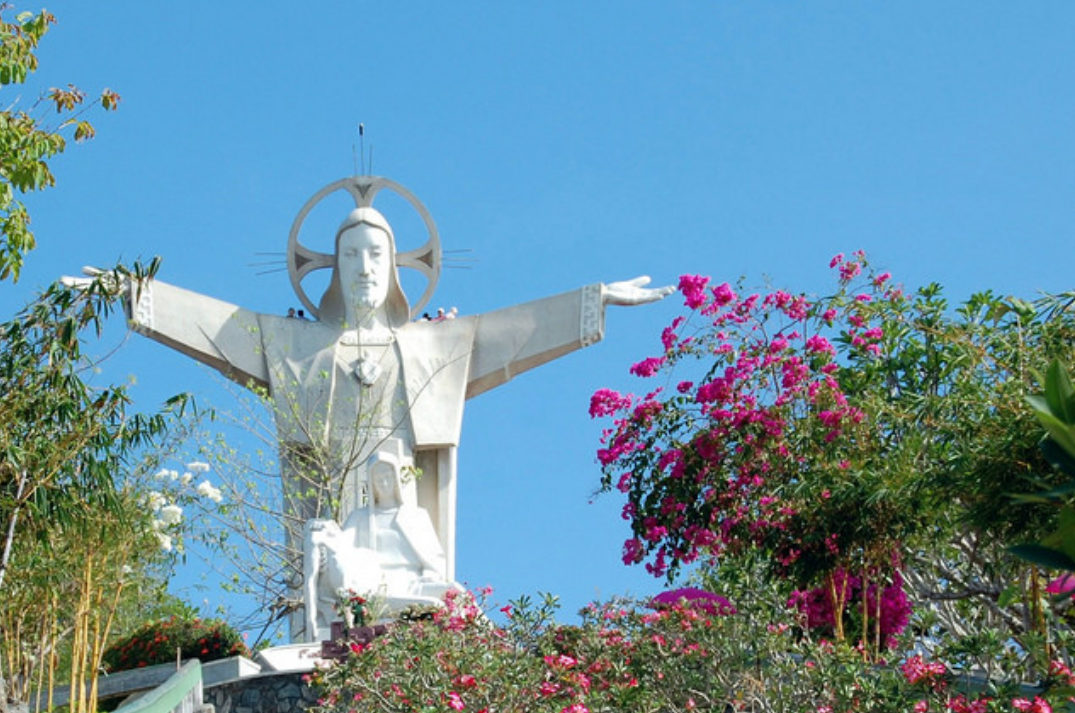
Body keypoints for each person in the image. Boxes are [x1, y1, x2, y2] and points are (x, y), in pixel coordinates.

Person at [70, 184, 672, 640]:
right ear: (332, 266)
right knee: (334, 572)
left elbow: (513, 332)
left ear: (394, 268)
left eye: (375, 255)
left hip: (399, 491)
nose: (363, 268)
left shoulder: (433, 344)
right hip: (333, 488)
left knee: (407, 565)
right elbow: (219, 329)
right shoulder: (298, 345)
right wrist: (137, 293)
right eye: (351, 254)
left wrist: (592, 301)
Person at [302, 452, 453, 640]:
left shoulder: (417, 516)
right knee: (432, 606)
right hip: (377, 585)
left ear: (396, 478)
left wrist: (429, 575)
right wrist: (325, 546)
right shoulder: (359, 517)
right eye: (378, 478)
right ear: (371, 483)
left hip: (414, 582)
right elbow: (341, 550)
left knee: (454, 594)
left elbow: (434, 557)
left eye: (388, 476)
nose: (383, 482)